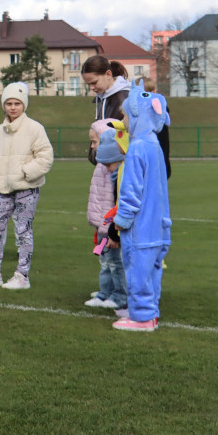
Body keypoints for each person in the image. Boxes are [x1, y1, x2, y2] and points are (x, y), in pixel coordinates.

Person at [0, 81, 54, 290]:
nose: (13, 107)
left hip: (27, 189)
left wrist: (25, 173)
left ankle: (22, 276)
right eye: (9, 103)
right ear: (3, 105)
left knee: (23, 231)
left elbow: (45, 157)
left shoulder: (35, 128)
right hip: (3, 190)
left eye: (17, 103)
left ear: (24, 104)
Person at [111, 82, 172, 331]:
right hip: (159, 225)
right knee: (152, 271)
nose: (123, 120)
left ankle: (142, 317)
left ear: (138, 115)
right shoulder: (155, 146)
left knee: (137, 272)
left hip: (141, 227)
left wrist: (122, 218)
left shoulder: (137, 148)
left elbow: (131, 190)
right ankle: (150, 312)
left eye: (125, 115)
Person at [84, 120, 127, 311]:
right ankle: (106, 291)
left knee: (115, 262)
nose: (92, 146)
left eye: (95, 142)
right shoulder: (103, 165)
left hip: (111, 226)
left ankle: (119, 295)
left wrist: (112, 230)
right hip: (102, 224)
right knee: (105, 260)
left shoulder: (116, 169)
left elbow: (114, 201)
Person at [81, 56, 131, 124]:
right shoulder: (102, 96)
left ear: (108, 74)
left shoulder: (124, 99)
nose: (91, 88)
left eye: (94, 83)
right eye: (88, 84)